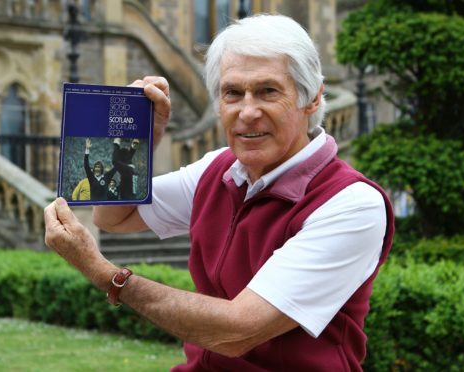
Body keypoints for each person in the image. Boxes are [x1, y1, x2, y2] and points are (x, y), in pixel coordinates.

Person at [45, 14, 394, 371]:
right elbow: (115, 216)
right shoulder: (219, 170)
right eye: (232, 93)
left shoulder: (352, 203)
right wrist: (139, 144)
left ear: (313, 99)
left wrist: (106, 275)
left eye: (267, 91)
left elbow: (238, 332)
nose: (247, 112)